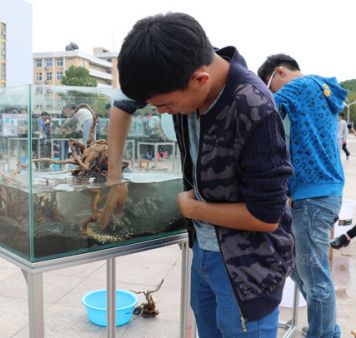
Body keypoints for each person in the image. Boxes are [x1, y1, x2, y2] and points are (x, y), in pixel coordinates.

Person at [105, 13, 294, 337]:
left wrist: (193, 209)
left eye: (165, 104)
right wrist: (113, 179)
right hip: (204, 255)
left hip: (247, 271)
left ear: (200, 80)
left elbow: (266, 216)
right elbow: (122, 105)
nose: (162, 112)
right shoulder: (179, 65)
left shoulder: (255, 108)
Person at [258, 53, 348, 338]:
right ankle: (327, 328)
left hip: (313, 197)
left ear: (280, 72)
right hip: (326, 191)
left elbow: (259, 111)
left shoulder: (296, 87)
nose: (273, 92)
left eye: (270, 86)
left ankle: (324, 334)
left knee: (314, 274)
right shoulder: (322, 89)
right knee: (298, 268)